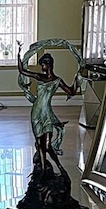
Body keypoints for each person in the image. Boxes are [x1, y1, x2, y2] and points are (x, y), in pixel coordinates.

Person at [16, 42, 80, 170]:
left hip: (47, 114)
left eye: (43, 65)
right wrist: (19, 53)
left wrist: (77, 77)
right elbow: (22, 70)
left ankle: (59, 167)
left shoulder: (57, 81)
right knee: (40, 144)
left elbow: (71, 92)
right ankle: (44, 170)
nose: (41, 67)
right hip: (36, 113)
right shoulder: (39, 76)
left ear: (48, 65)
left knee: (47, 145)